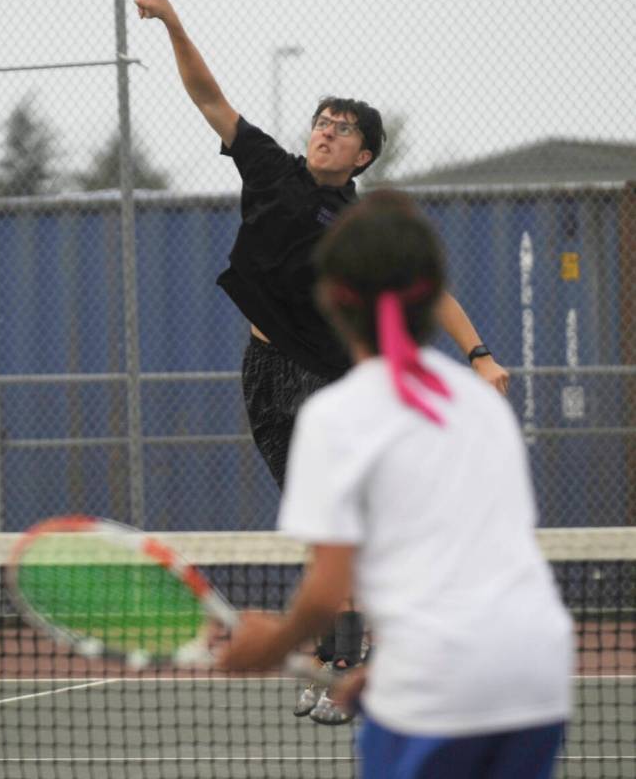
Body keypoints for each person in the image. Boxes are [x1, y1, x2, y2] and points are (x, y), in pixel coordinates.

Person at [136, 0, 510, 723]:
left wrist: (480, 355)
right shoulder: (269, 168)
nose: (326, 131)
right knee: (321, 526)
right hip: (261, 374)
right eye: (321, 121)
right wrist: (173, 20)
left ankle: (348, 664)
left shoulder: (361, 219)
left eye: (342, 128)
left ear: (363, 151)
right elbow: (206, 93)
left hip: (324, 377)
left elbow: (427, 288)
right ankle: (345, 657)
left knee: (336, 522)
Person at [218, 190, 573, 779]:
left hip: (435, 689)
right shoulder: (481, 402)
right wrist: (386, 670)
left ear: (331, 300)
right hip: (535, 674)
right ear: (432, 297)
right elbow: (473, 567)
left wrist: (273, 643)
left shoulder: (336, 418)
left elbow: (330, 587)